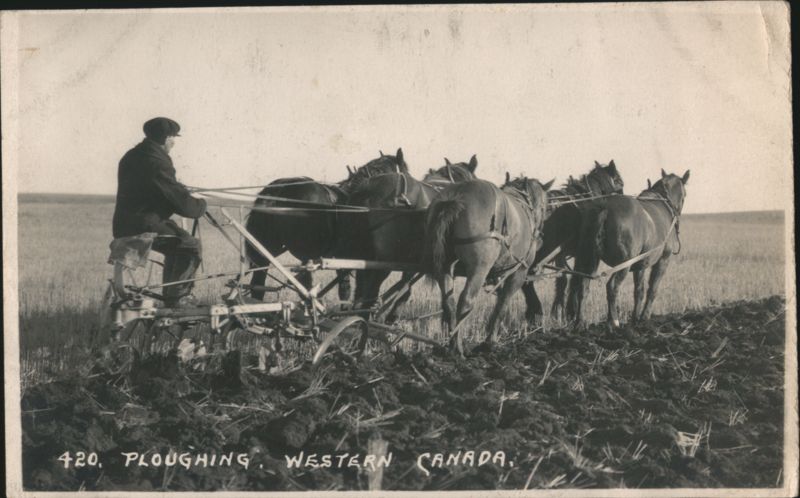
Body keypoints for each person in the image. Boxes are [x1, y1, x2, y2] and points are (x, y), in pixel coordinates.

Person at [112, 117, 207, 307]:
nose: (173, 142)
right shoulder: (158, 162)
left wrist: (178, 189)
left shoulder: (132, 155)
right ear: (165, 138)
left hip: (125, 223)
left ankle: (172, 294)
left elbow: (159, 188)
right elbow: (181, 202)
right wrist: (200, 205)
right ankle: (179, 297)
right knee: (191, 246)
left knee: (177, 244)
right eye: (173, 138)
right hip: (144, 224)